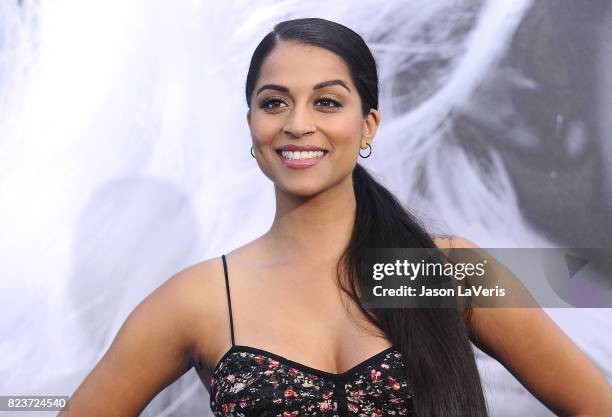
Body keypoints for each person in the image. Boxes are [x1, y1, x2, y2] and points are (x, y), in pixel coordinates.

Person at [59, 17, 612, 417]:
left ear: (368, 125)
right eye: (275, 102)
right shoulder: (199, 298)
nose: (298, 124)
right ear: (250, 125)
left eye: (327, 102)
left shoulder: (440, 270)